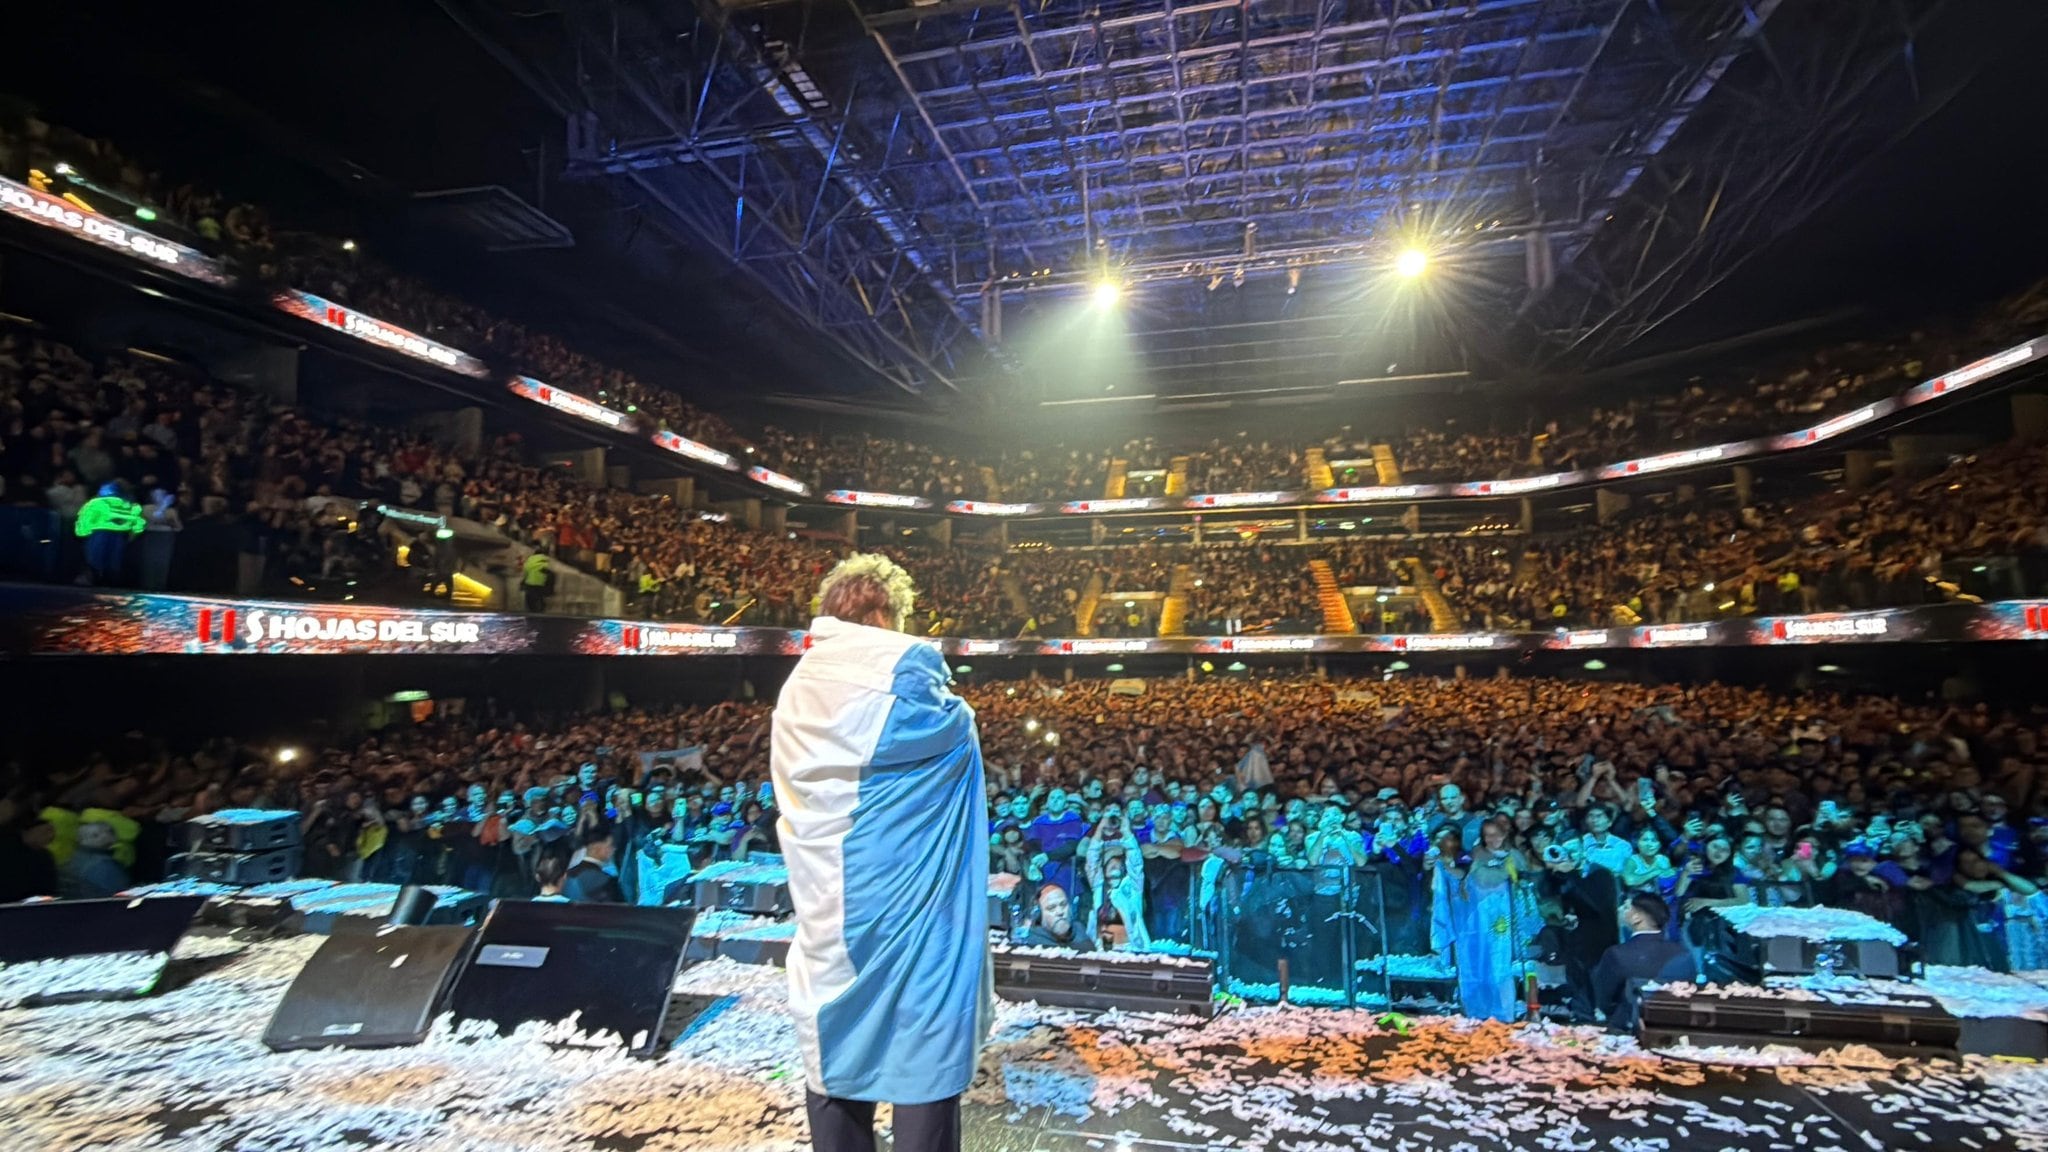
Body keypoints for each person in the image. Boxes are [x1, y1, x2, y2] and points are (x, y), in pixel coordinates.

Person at [771, 554, 989, 1152]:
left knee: (838, 1051)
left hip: (828, 905)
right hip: (915, 916)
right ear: (884, 613)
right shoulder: (910, 681)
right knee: (923, 1053)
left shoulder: (795, 693)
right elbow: (949, 726)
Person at [1592, 892, 1695, 1032]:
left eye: (1626, 907)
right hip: (1674, 1026)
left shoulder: (1617, 954)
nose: (1620, 910)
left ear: (1636, 918)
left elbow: (1604, 1000)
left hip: (1627, 1029)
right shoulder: (1683, 952)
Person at [73, 480, 146, 585]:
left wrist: (82, 532)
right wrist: (135, 532)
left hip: (99, 532)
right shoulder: (127, 504)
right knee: (113, 559)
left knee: (96, 557)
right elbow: (137, 520)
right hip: (117, 534)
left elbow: (85, 518)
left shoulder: (96, 503)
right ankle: (109, 579)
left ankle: (94, 576)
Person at [1017, 883, 1097, 950]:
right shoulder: (1032, 944)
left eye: (1063, 905)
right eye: (1051, 908)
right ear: (1040, 914)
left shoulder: (1080, 932)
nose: (1060, 912)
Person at [562, 824, 624, 902]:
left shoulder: (565, 877)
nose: (613, 849)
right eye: (610, 845)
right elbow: (619, 911)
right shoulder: (608, 881)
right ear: (596, 848)